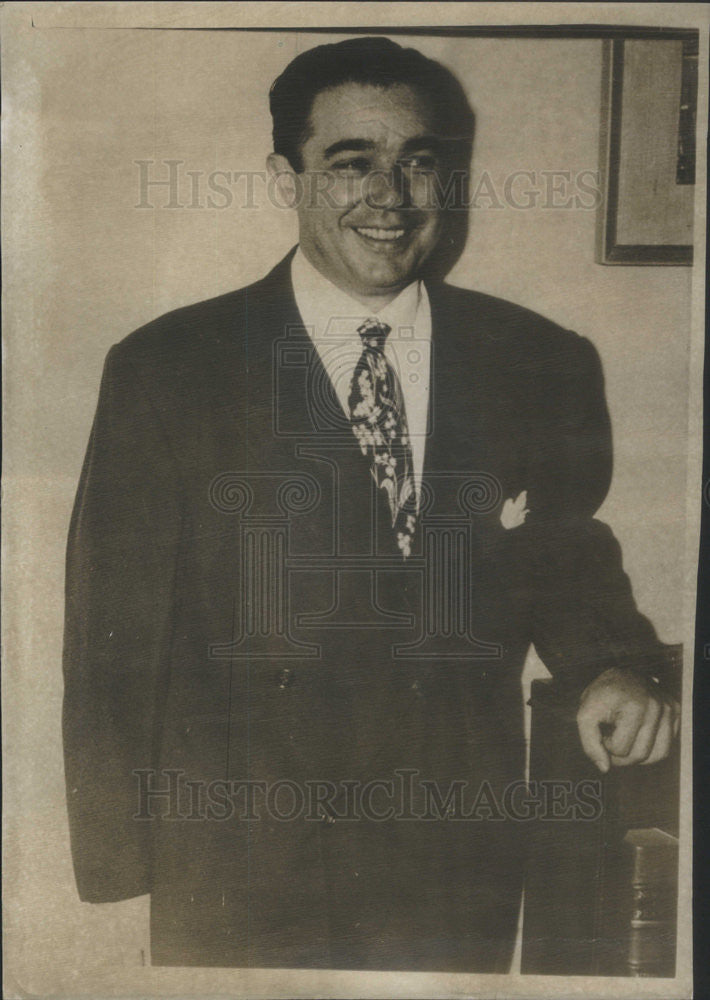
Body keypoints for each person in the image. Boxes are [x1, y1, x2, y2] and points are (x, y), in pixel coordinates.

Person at [62, 36, 680, 972]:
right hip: (239, 861)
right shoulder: (168, 369)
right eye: (351, 163)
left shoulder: (540, 360)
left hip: (456, 856)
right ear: (287, 175)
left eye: (418, 162)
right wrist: (118, 864)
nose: (390, 196)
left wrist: (611, 665)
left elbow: (561, 553)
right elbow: (113, 632)